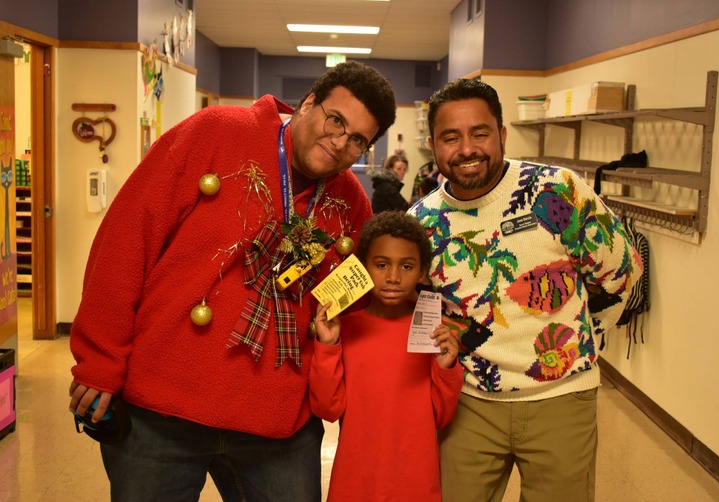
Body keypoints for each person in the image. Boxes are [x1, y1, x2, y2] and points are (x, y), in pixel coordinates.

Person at [68, 61, 396, 501]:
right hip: (161, 411)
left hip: (277, 425)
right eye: (335, 120)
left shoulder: (351, 203)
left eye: (358, 139)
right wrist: (99, 360)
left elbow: (352, 306)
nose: (340, 143)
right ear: (307, 104)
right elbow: (126, 241)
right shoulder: (214, 132)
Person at [408, 79, 643, 502]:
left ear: (501, 135)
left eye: (479, 133)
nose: (466, 149)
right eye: (450, 137)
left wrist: (582, 334)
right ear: (432, 144)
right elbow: (419, 310)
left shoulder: (556, 190)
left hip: (561, 397)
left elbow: (622, 269)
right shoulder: (422, 223)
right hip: (467, 401)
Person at [309, 211, 464, 501]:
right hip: (356, 478)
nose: (393, 277)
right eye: (381, 265)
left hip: (415, 480)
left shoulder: (434, 332)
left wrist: (447, 367)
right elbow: (327, 409)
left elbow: (441, 417)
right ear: (364, 268)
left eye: (406, 266)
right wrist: (328, 347)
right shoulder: (347, 327)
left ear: (421, 272)